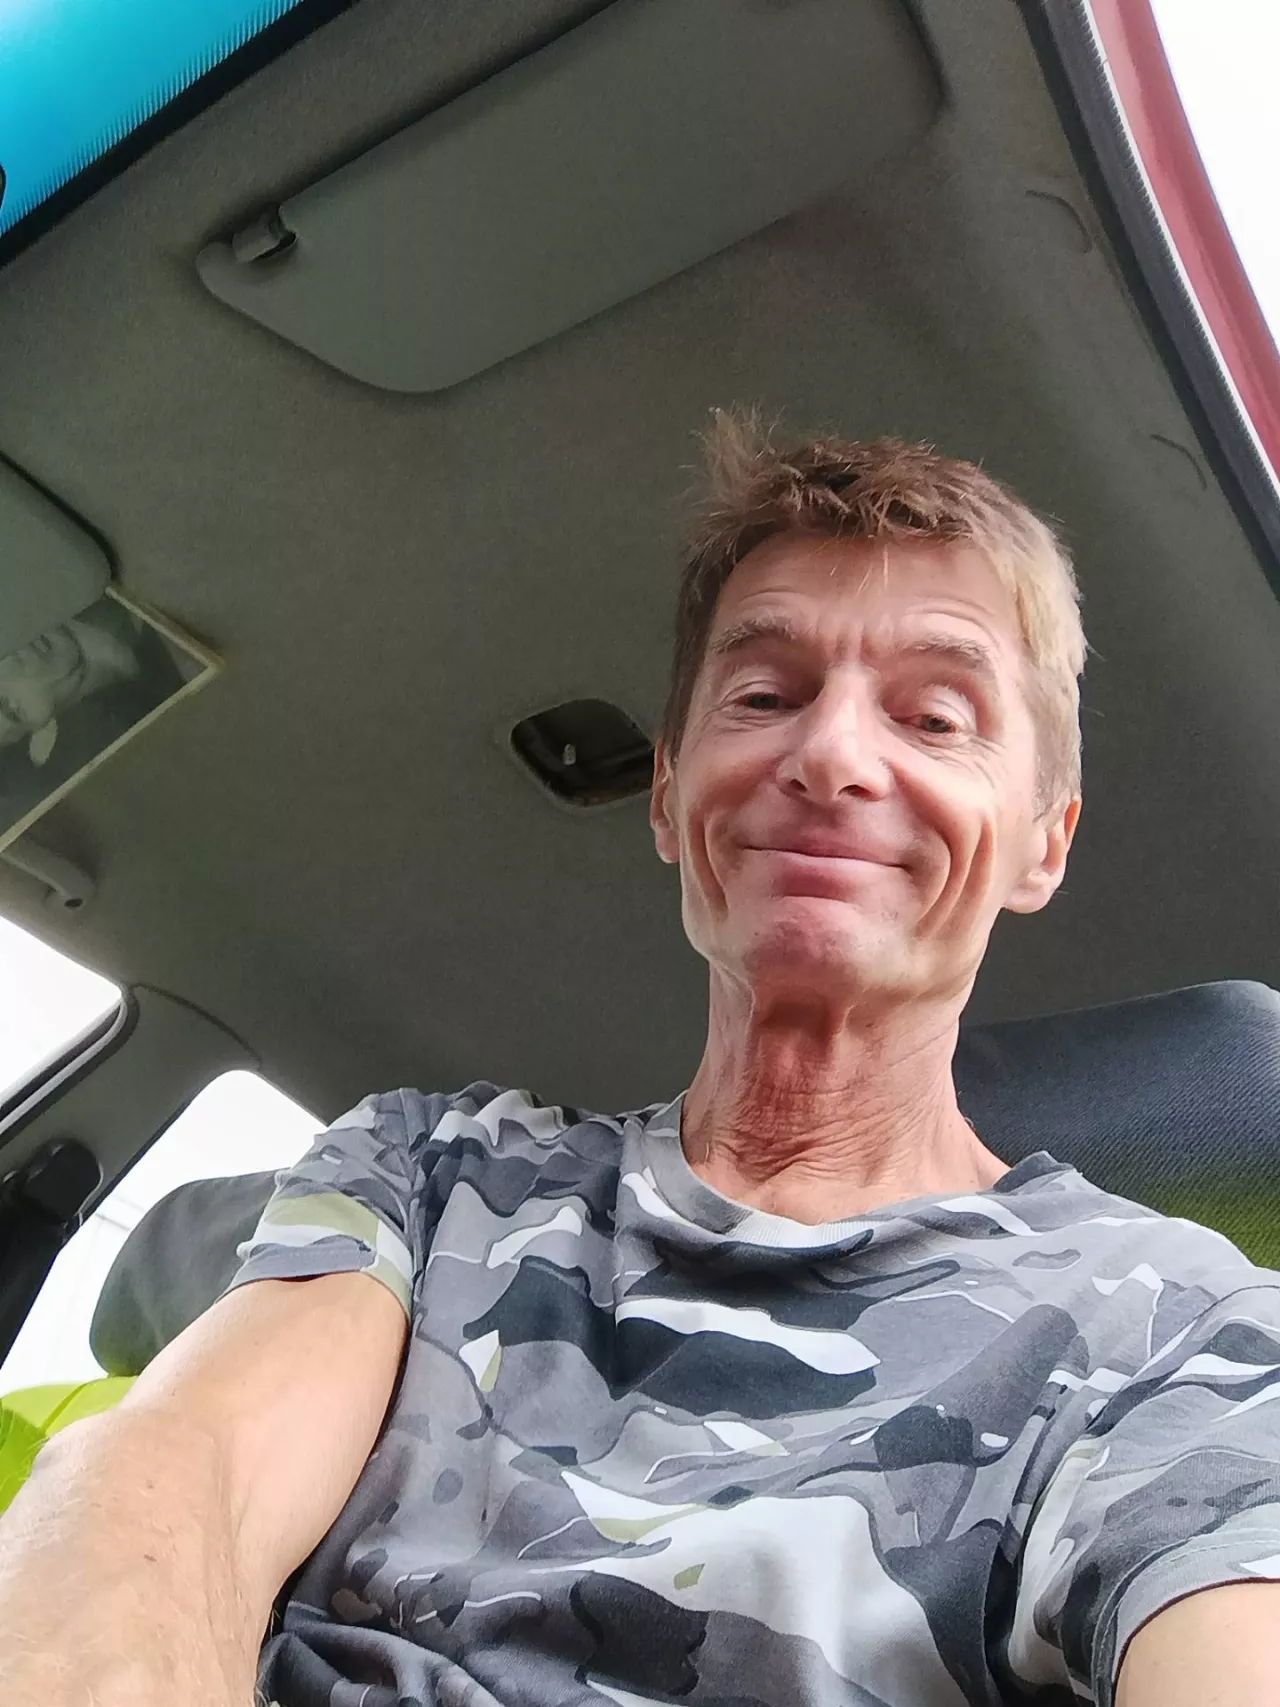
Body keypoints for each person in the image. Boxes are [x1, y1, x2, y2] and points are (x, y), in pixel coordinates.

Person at [3, 413, 1279, 1707]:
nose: (833, 755)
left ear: (1044, 840)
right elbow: (178, 1479)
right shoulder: (434, 1169)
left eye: (936, 716)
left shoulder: (1178, 1339)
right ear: (670, 792)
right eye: (764, 696)